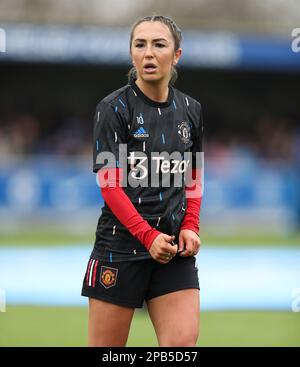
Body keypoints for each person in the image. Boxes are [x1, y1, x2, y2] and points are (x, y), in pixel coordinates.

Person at [81, 14, 204, 347]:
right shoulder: (112, 109)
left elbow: (193, 173)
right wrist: (146, 236)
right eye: (140, 44)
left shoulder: (192, 110)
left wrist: (191, 223)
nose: (149, 53)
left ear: (177, 54)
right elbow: (109, 185)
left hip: (173, 250)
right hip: (119, 249)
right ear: (132, 53)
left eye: (159, 44)